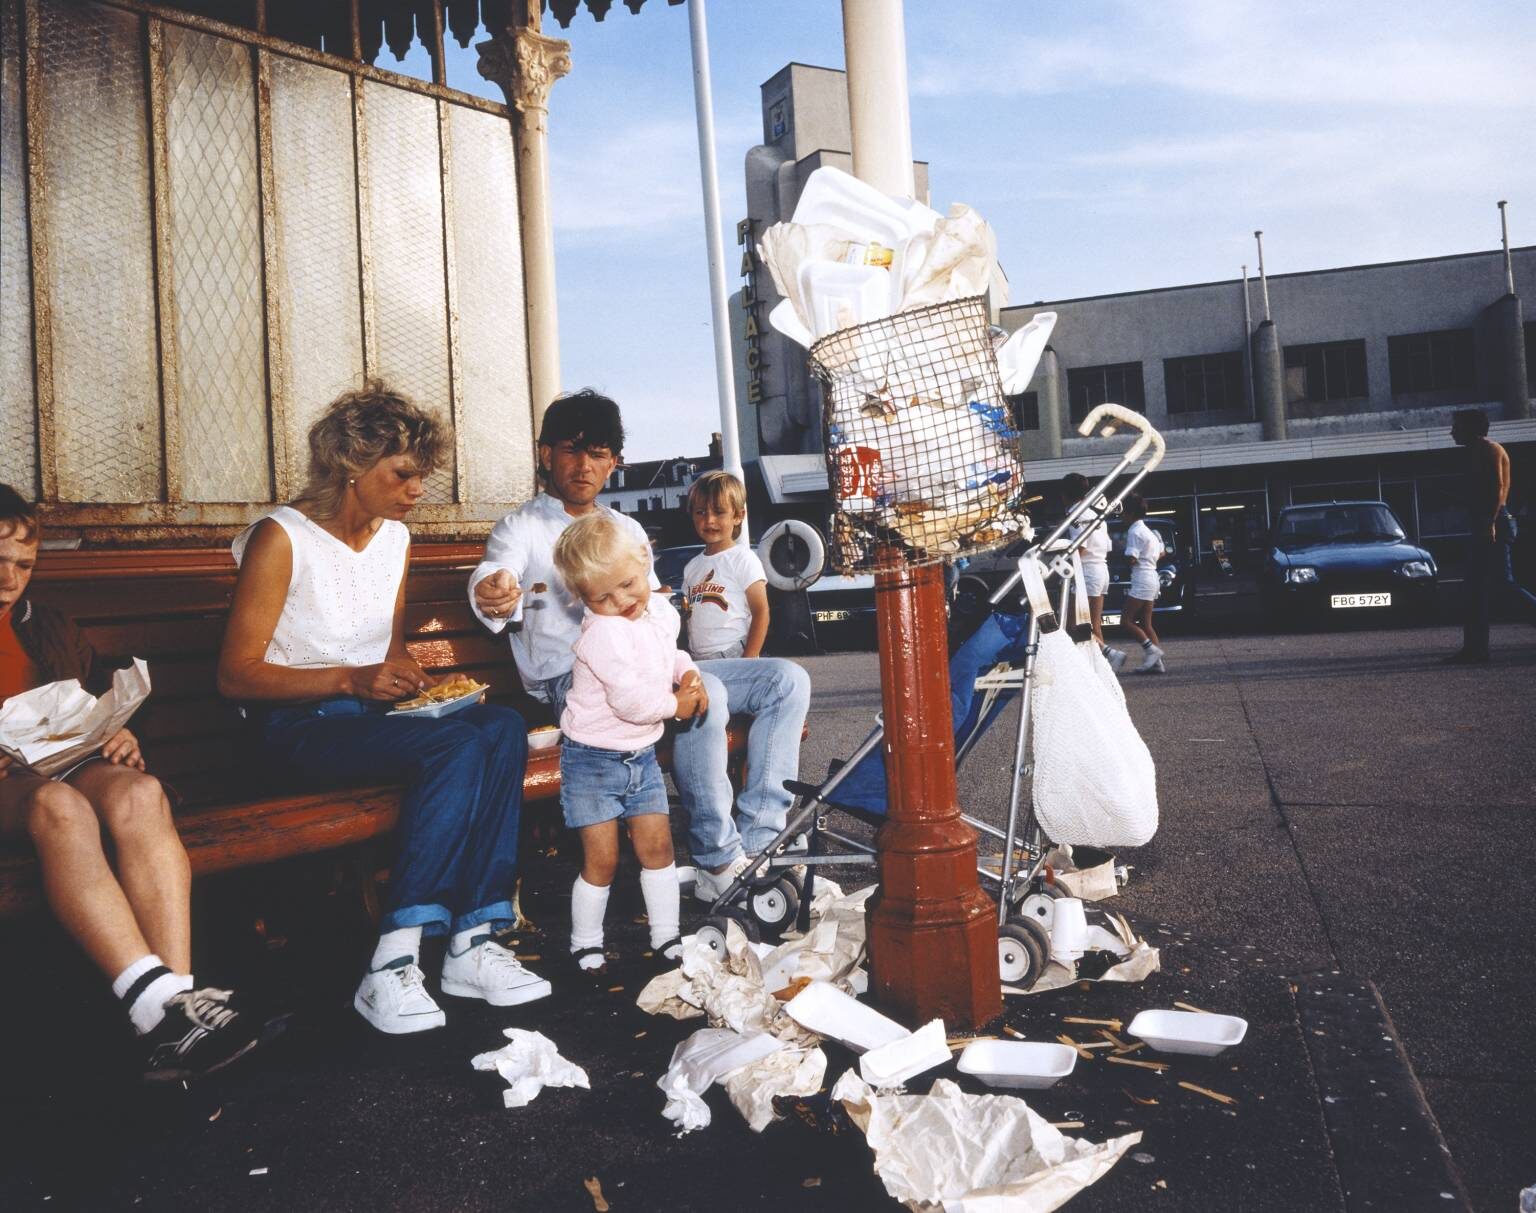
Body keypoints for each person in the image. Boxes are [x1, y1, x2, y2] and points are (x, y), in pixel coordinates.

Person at [218, 384, 549, 1036]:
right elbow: (236, 676)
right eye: (403, 473)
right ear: (350, 466)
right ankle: (392, 962)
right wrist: (351, 678)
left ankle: (471, 944)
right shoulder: (281, 539)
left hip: (370, 725)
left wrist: (413, 683)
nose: (416, 488)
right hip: (296, 730)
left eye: (421, 475)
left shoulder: (395, 539)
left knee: (501, 725)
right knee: (458, 746)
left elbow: (385, 652)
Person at [469, 392, 811, 905]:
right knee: (709, 693)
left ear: (614, 462)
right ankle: (719, 859)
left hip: (649, 667)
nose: (584, 466)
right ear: (545, 455)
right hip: (576, 681)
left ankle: (760, 844)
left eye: (599, 453)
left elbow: (651, 608)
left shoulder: (625, 528)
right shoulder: (522, 527)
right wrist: (492, 590)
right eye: (570, 450)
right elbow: (498, 570)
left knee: (787, 680)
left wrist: (674, 660)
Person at [0, 486, 265, 1080]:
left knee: (139, 793)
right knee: (61, 806)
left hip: (59, 762)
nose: (10, 577)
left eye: (23, 564)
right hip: (21, 788)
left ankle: (176, 1011)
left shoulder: (44, 625)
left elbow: (84, 700)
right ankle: (158, 1009)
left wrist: (117, 732)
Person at [552, 513, 692, 976]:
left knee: (658, 849)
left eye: (628, 584)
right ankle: (586, 942)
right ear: (582, 600)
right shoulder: (602, 633)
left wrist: (686, 673)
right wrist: (678, 705)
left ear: (644, 560)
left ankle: (667, 935)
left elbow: (665, 654)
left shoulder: (656, 611)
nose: (621, 601)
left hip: (641, 755)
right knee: (603, 860)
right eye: (602, 597)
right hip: (591, 759)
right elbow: (631, 700)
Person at [1445, 408, 1536, 664]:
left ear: (1471, 428)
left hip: (1495, 522)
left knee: (1504, 584)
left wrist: (1490, 522)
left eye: (1457, 426)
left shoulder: (1490, 449)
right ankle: (1475, 649)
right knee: (1474, 589)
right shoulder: (1473, 452)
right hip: (1483, 523)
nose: (1452, 432)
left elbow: (1498, 487)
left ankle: (1476, 649)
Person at [682, 471, 770, 661]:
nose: (709, 520)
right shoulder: (691, 567)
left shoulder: (743, 558)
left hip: (733, 652)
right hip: (698, 657)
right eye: (701, 512)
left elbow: (761, 612)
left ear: (738, 516)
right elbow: (689, 616)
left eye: (719, 512)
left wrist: (748, 660)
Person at [1061, 473, 1126, 671]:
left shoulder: (1076, 515)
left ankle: (1108, 653)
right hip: (1101, 569)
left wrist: (1061, 567)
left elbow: (1080, 548)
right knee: (1094, 625)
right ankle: (1101, 667)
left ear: (1065, 494)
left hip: (1087, 572)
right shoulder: (1095, 514)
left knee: (1074, 625)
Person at [1120, 493, 1166, 673]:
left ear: (1130, 513)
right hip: (1152, 577)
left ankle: (1151, 651)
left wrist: (1122, 555)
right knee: (1146, 623)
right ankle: (1157, 664)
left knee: (1126, 621)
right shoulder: (1148, 531)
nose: (1121, 516)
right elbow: (1161, 553)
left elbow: (1131, 558)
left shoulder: (1134, 531)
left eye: (1123, 513)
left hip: (1142, 579)